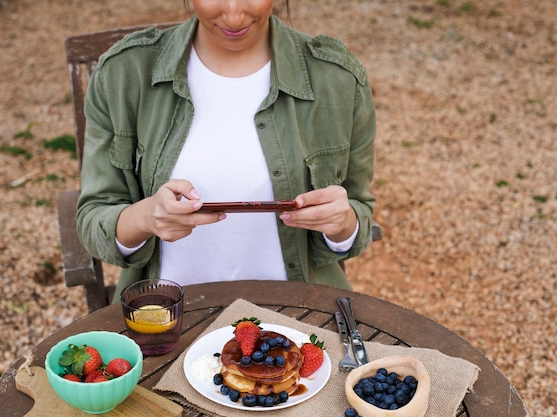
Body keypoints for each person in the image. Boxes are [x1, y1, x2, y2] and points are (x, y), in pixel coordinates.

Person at [76, 0, 376, 301]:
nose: (234, 15)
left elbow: (357, 218)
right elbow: (93, 219)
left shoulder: (338, 79)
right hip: (164, 325)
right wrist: (146, 217)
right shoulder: (123, 73)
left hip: (301, 319)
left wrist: (343, 223)